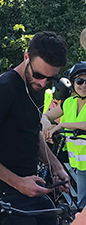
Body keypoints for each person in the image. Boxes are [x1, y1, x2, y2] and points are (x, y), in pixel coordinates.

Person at [0, 31, 70, 225]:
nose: (42, 83)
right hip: (4, 190)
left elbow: (31, 132)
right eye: (38, 75)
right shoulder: (4, 89)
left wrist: (56, 165)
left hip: (31, 185)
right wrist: (18, 183)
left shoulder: (36, 87)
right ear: (26, 57)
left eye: (50, 79)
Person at [42, 62, 86, 208]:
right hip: (81, 165)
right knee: (82, 206)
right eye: (79, 81)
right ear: (73, 83)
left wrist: (62, 125)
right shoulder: (68, 103)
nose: (83, 84)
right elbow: (45, 116)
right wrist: (48, 126)